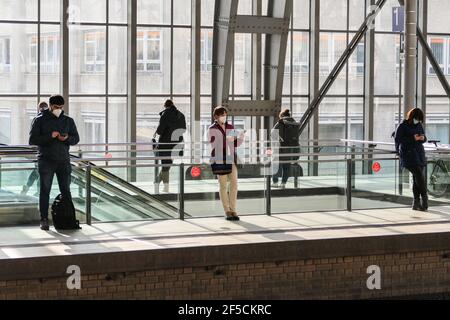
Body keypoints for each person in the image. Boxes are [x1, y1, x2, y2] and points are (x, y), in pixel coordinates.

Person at [29, 95, 80, 230]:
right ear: (51, 106)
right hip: (46, 160)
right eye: (56, 107)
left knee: (66, 190)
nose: (59, 110)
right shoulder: (39, 120)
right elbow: (32, 140)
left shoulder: (68, 120)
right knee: (44, 190)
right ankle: (44, 219)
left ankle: (68, 218)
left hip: (63, 160)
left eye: (61, 107)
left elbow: (76, 139)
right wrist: (49, 136)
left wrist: (67, 138)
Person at [208, 106, 244, 221]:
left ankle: (233, 210)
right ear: (216, 116)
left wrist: (241, 138)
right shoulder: (212, 128)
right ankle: (227, 211)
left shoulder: (230, 127)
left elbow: (235, 144)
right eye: (222, 114)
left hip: (231, 158)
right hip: (219, 159)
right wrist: (226, 140)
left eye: (225, 114)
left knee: (234, 184)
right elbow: (213, 144)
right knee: (223, 185)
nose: (224, 116)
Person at [394, 108, 428, 211]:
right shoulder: (402, 126)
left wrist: (423, 138)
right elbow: (398, 140)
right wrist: (413, 138)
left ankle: (416, 203)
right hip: (408, 155)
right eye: (417, 118)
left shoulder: (418, 125)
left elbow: (424, 137)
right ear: (412, 117)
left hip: (419, 154)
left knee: (416, 179)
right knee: (419, 177)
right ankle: (425, 201)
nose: (418, 121)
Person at [154, 99, 186, 193]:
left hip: (165, 144)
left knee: (165, 165)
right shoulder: (181, 115)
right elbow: (183, 129)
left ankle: (164, 185)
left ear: (165, 106)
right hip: (177, 144)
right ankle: (158, 182)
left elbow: (160, 131)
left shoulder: (165, 115)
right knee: (167, 165)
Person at [21, 102, 49, 196]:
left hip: (39, 150)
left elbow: (32, 138)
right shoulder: (43, 119)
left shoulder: (37, 119)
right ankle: (37, 191)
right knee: (40, 172)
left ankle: (28, 188)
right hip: (42, 151)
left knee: (37, 171)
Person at [271, 109, 300, 189]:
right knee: (287, 167)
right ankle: (283, 184)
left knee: (275, 165)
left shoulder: (281, 122)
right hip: (291, 149)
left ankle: (275, 182)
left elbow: (273, 134)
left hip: (280, 149)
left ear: (282, 116)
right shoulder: (295, 124)